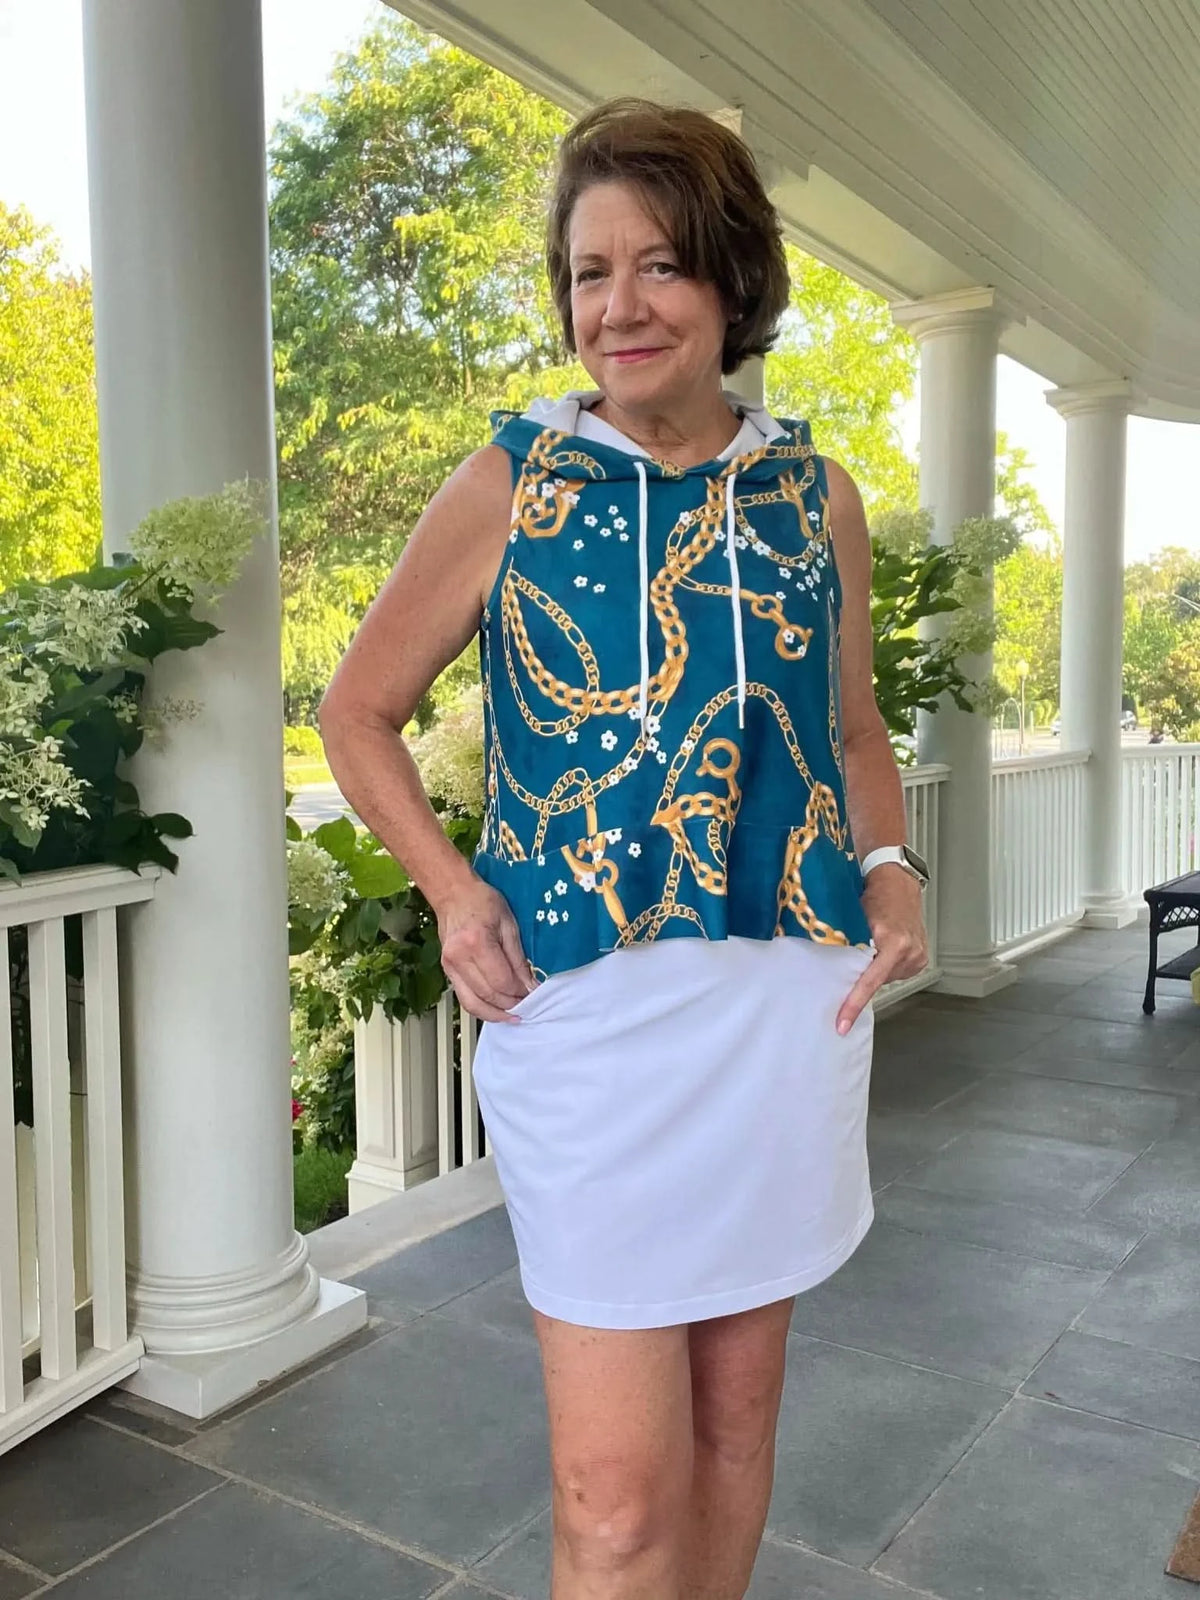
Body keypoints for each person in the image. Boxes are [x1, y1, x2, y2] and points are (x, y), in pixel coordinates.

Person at [320, 97, 928, 1600]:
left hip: (784, 1007)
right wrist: (455, 897)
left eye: (659, 266)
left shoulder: (814, 497)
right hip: (586, 1020)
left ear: (731, 283)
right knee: (606, 1501)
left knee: (734, 1429)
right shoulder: (511, 483)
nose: (621, 307)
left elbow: (849, 730)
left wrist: (894, 869)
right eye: (591, 274)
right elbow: (357, 713)